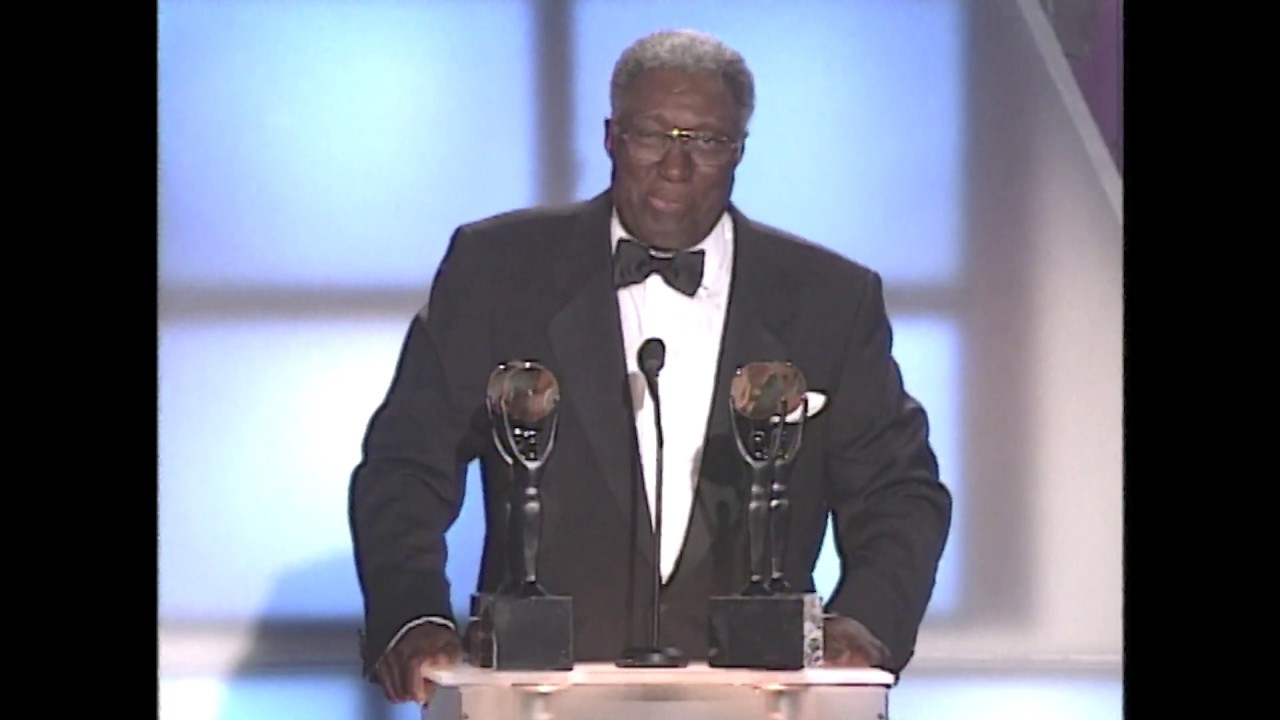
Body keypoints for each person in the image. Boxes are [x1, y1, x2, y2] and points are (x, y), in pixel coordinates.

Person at [348, 28, 952, 706]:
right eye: (651, 135)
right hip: (535, 696)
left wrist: (863, 625)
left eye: (706, 143)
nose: (674, 165)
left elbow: (901, 495)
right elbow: (405, 465)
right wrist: (416, 616)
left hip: (761, 699)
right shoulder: (499, 273)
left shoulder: (829, 301)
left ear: (740, 153)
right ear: (611, 137)